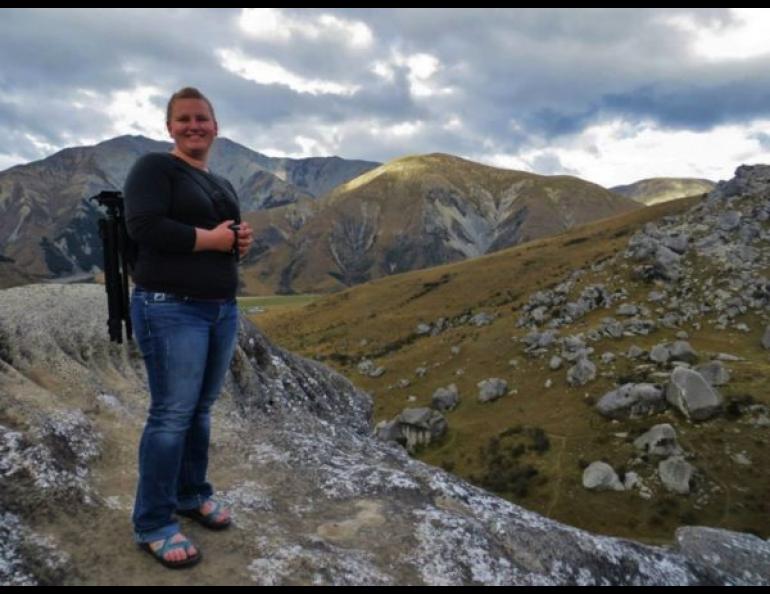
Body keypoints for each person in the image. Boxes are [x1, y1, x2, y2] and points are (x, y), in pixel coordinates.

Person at [124, 87, 253, 569]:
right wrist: (212, 238)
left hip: (219, 308)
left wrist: (238, 242)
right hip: (170, 307)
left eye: (202, 118)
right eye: (184, 119)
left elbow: (221, 241)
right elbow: (145, 227)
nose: (193, 126)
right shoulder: (155, 169)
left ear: (216, 126)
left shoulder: (219, 183)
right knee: (172, 415)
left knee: (200, 410)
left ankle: (191, 494)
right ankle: (154, 522)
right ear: (169, 127)